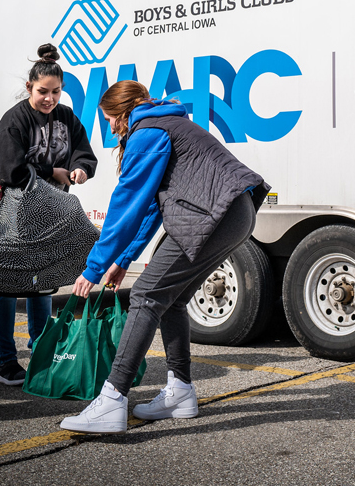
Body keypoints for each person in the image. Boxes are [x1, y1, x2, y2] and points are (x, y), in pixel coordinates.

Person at [59, 81, 269, 434]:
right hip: (233, 212)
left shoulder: (147, 131)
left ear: (125, 113)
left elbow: (128, 205)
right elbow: (154, 207)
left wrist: (94, 268)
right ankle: (180, 391)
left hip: (213, 214)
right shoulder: (167, 123)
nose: (111, 128)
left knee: (144, 296)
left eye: (111, 119)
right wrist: (123, 260)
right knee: (171, 300)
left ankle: (112, 399)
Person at [0, 44, 96, 386]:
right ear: (29, 89)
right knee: (4, 287)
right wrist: (54, 172)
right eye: (42, 92)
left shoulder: (66, 117)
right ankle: (5, 363)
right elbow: (8, 169)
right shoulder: (14, 120)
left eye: (56, 92)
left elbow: (83, 150)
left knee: (41, 283)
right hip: (11, 214)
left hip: (48, 214)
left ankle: (41, 351)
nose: (49, 99)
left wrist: (79, 169)